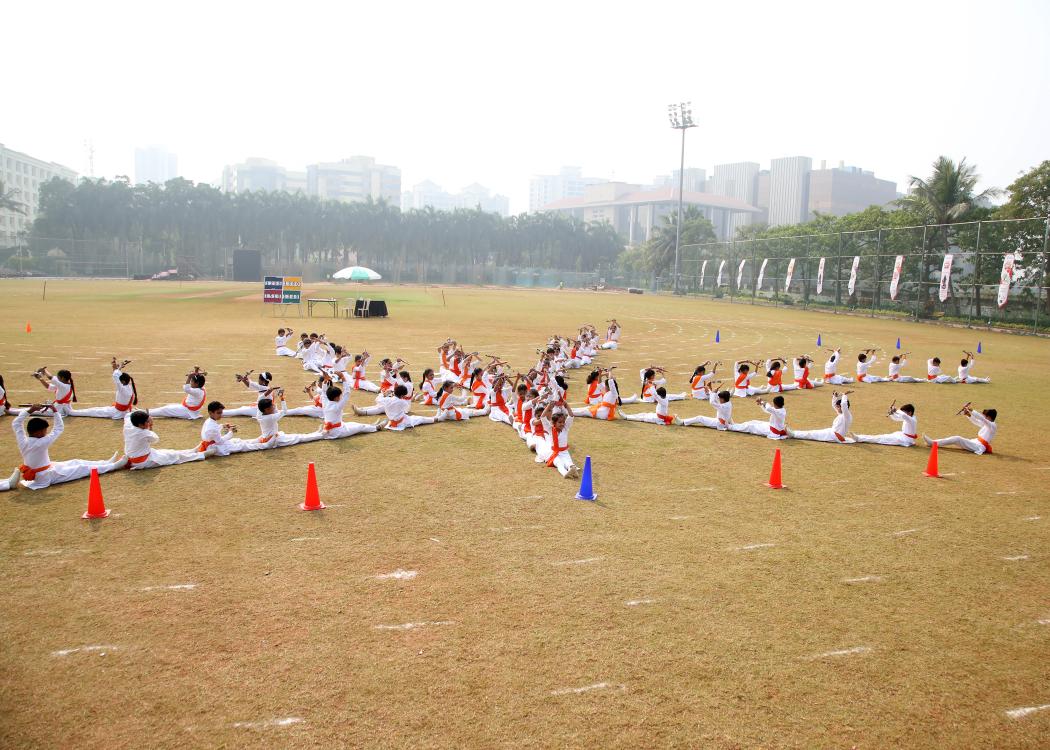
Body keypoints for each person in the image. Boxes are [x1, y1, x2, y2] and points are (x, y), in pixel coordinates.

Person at [0, 405, 126, 492]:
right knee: (82, 468)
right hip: (46, 476)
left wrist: (29, 410)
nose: (46, 432)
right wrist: (55, 412)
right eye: (45, 430)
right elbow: (59, 429)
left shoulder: (23, 440)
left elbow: (16, 423)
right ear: (39, 432)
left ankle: (105, 463)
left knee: (75, 461)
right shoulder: (42, 442)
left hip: (47, 468)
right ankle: (113, 466)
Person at [228, 394, 324, 450]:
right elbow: (285, 411)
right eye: (271, 406)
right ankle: (319, 435)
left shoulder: (260, 415)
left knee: (250, 442)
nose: (273, 407)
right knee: (298, 437)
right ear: (266, 409)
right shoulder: (271, 417)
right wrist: (282, 399)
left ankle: (317, 433)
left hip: (268, 438)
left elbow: (261, 405)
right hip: (273, 440)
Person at [123, 409, 211, 470]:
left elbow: (128, 415)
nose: (148, 423)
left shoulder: (128, 426)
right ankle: (200, 455)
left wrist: (146, 417)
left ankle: (191, 451)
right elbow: (155, 439)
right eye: (146, 422)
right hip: (144, 461)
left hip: (145, 455)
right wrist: (151, 425)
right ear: (140, 425)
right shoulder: (143, 433)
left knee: (169, 451)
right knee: (175, 457)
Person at [69, 358, 138, 419]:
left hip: (117, 412)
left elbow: (116, 376)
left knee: (93, 411)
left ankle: (72, 412)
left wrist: (119, 367)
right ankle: (73, 412)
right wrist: (116, 367)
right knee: (95, 409)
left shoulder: (122, 389)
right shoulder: (128, 386)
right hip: (123, 410)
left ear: (123, 381)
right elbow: (117, 377)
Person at [355, 384, 437, 431]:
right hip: (402, 422)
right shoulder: (402, 401)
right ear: (402, 395)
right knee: (420, 419)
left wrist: (384, 394)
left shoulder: (388, 399)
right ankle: (436, 419)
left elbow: (378, 399)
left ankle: (362, 411)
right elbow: (406, 407)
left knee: (379, 407)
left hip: (392, 421)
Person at [923, 405, 997, 455]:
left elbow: (981, 419)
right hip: (976, 442)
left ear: (989, 417)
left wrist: (972, 410)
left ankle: (933, 443)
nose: (983, 416)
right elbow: (977, 422)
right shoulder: (988, 424)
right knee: (957, 439)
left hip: (978, 446)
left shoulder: (992, 425)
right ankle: (933, 443)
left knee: (957, 438)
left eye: (985, 416)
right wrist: (968, 414)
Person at [535, 402, 581, 479]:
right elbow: (543, 417)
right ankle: (565, 473)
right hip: (554, 452)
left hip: (564, 452)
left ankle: (572, 470)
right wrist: (548, 406)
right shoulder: (550, 429)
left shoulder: (566, 428)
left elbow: (571, 416)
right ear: (553, 423)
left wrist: (566, 405)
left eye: (563, 422)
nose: (562, 424)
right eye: (559, 422)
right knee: (559, 463)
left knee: (569, 463)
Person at [790, 391, 856, 443]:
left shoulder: (846, 415)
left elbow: (844, 404)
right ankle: (794, 433)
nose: (837, 408)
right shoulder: (842, 414)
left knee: (811, 434)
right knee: (812, 432)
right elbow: (834, 406)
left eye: (839, 407)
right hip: (832, 434)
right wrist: (834, 397)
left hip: (834, 436)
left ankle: (793, 434)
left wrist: (844, 395)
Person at [852, 402, 918, 447]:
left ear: (910, 412)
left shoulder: (912, 420)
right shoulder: (909, 418)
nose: (902, 413)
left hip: (905, 440)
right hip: (901, 436)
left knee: (880, 439)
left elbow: (903, 415)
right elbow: (897, 418)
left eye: (904, 411)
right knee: (882, 436)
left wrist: (896, 410)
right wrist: (892, 413)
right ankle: (859, 437)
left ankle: (859, 438)